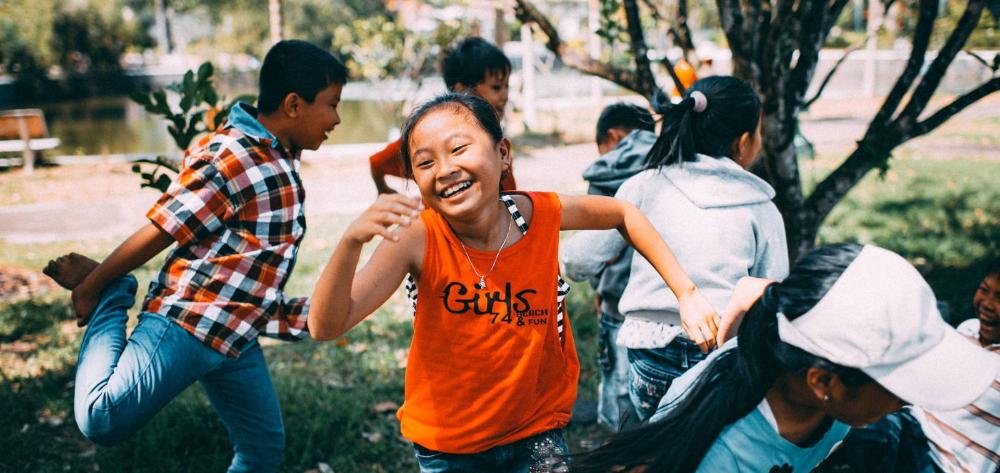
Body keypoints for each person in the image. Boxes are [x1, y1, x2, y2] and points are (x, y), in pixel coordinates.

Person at [307, 93, 717, 472]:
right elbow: (326, 326)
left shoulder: (538, 215)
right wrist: (350, 242)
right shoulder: (419, 237)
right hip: (450, 446)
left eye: (459, 149)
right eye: (425, 162)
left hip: (537, 430)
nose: (446, 169)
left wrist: (687, 292)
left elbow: (624, 213)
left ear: (502, 153)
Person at [40, 40, 347, 472]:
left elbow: (250, 263)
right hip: (190, 322)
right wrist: (94, 287)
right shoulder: (233, 154)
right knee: (101, 418)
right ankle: (116, 291)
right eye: (332, 105)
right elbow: (165, 227)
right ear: (294, 104)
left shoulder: (279, 155)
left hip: (235, 336)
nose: (337, 118)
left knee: (262, 449)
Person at [574, 244, 1000, 473]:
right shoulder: (722, 459)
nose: (908, 402)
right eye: (900, 386)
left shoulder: (795, 345)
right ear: (823, 382)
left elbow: (755, 292)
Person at [562, 76, 788, 423]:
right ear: (743, 142)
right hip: (721, 354)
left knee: (658, 447)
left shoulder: (643, 187)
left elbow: (578, 260)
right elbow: (772, 291)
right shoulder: (761, 207)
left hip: (650, 353)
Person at [815, 257, 1000, 473]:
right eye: (984, 290)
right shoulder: (967, 330)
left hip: (948, 465)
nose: (987, 304)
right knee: (854, 427)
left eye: (999, 297)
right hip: (911, 426)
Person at [561, 102, 656, 430]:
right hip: (666, 308)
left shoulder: (609, 171)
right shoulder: (671, 162)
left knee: (619, 394)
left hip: (618, 301)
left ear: (613, 136)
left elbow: (590, 252)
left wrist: (600, 288)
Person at [369, 36, 517, 195]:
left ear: (502, 151)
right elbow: (377, 162)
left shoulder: (493, 136)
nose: (505, 95)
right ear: (463, 91)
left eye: (506, 86)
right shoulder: (430, 135)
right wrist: (384, 190)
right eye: (496, 87)